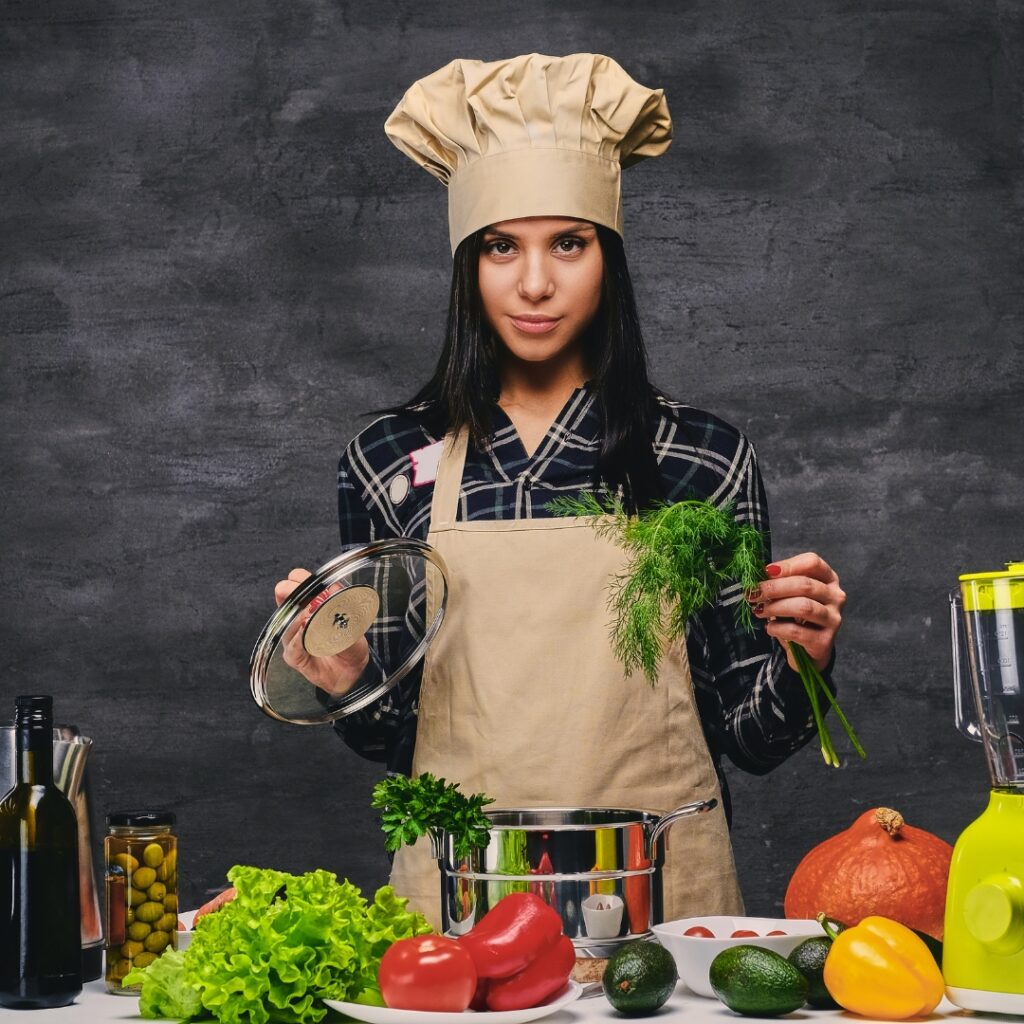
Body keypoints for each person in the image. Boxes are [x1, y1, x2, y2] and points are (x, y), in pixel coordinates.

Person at [274, 53, 846, 928]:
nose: (534, 283)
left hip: (659, 902)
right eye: (502, 247)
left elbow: (753, 740)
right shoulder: (389, 459)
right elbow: (398, 742)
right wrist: (343, 676)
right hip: (460, 907)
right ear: (467, 263)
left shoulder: (698, 455)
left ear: (607, 259)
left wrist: (808, 656)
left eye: (567, 244)